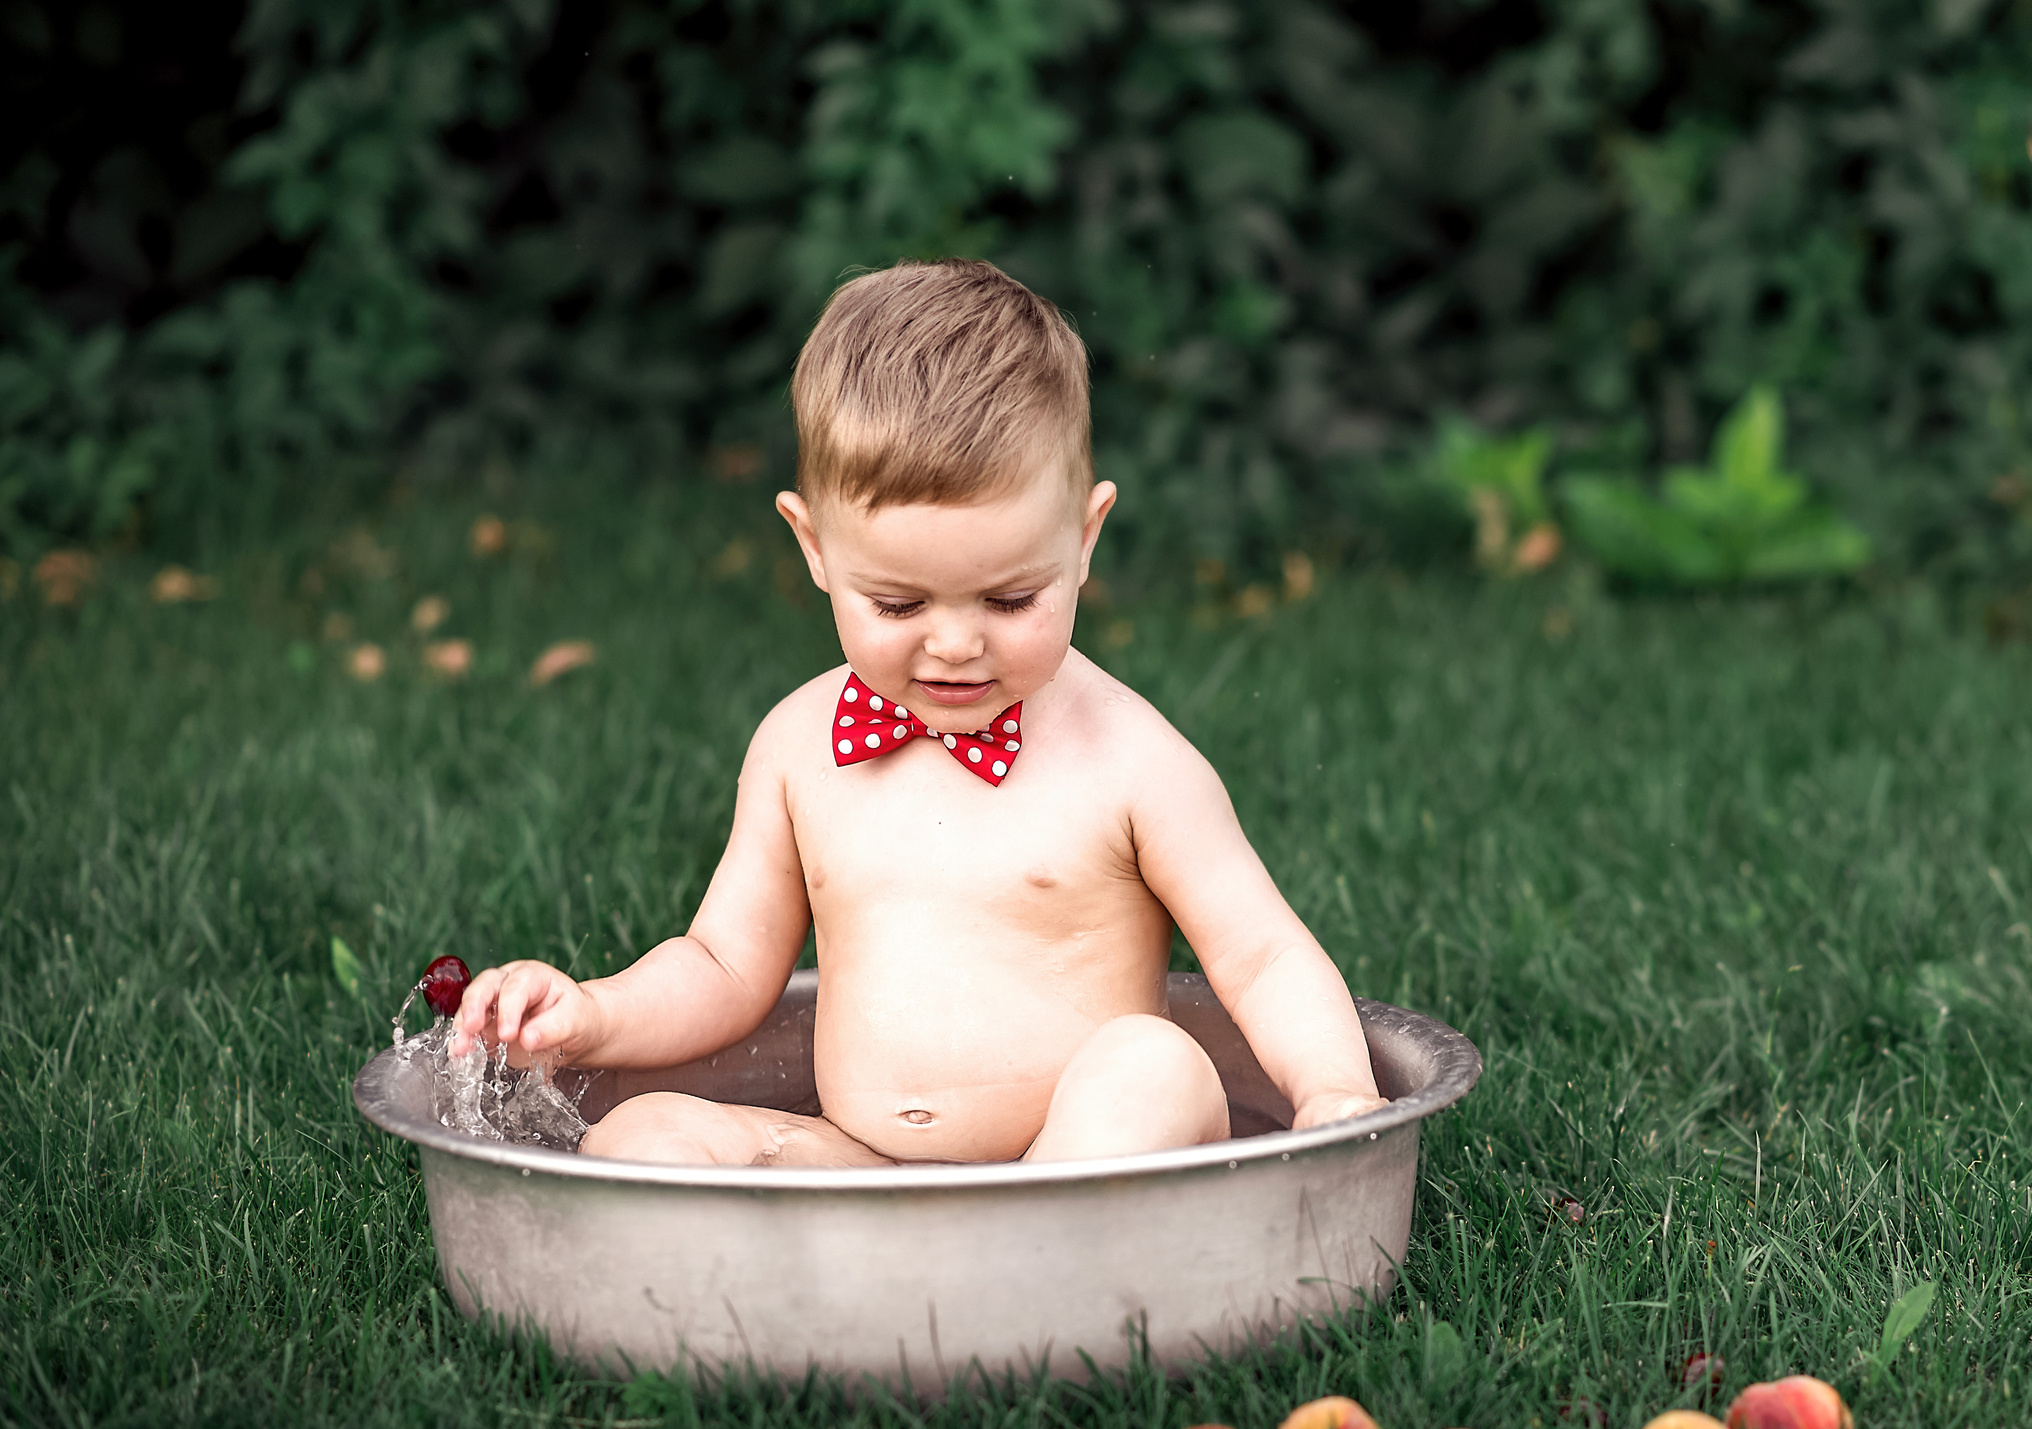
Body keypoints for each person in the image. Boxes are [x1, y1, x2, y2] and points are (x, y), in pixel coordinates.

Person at [447, 259, 1385, 1165]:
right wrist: (595, 1014)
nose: (954, 645)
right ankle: (829, 1281)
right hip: (863, 1162)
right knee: (644, 1132)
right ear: (814, 548)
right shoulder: (797, 749)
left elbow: (1261, 957)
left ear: (1085, 538)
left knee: (1152, 1065)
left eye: (1011, 601)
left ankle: (1029, 1246)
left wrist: (1334, 1090)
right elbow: (725, 966)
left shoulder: (1131, 760)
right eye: (899, 605)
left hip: (1086, 1162)